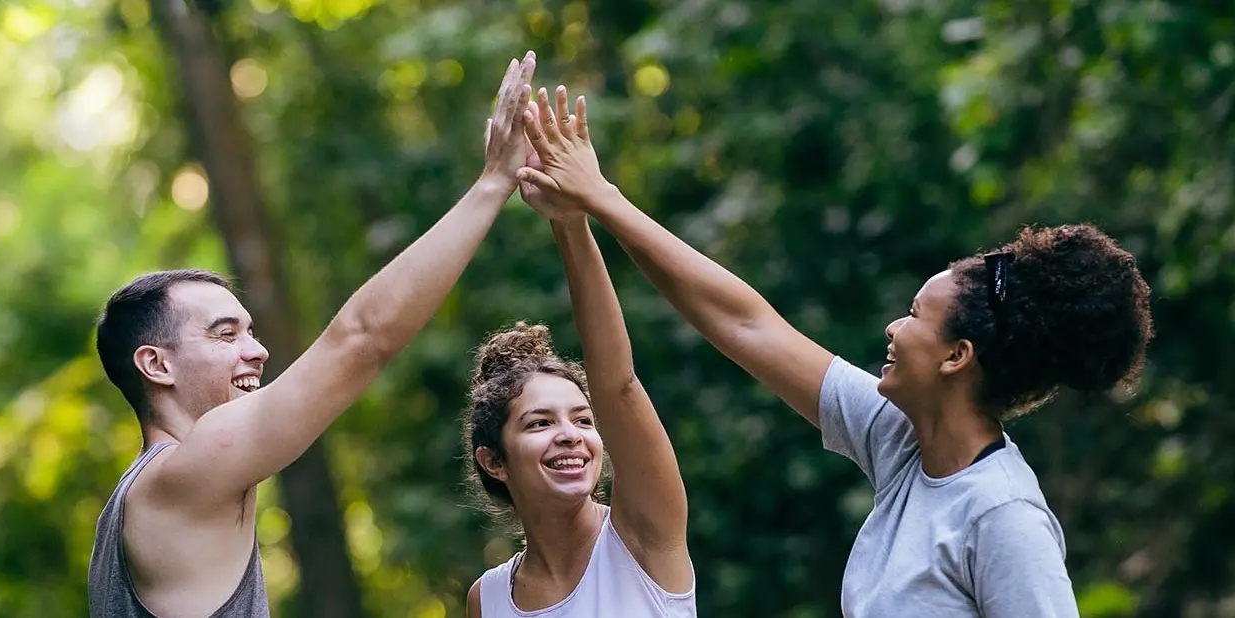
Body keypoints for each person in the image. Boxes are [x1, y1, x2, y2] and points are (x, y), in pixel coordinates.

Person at [515, 85, 1153, 617]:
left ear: (956, 357)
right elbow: (745, 324)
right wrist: (599, 202)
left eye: (914, 317)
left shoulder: (1002, 515)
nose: (893, 329)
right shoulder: (902, 440)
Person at [84, 51, 539, 618]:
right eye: (225, 335)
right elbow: (362, 339)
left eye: (250, 331)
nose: (258, 350)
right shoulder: (181, 476)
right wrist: (493, 183)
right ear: (157, 365)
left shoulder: (146, 499)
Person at [459, 132, 696, 617]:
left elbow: (619, 385)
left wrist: (570, 224)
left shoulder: (642, 536)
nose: (570, 436)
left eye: (584, 420)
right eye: (540, 423)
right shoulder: (488, 599)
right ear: (494, 461)